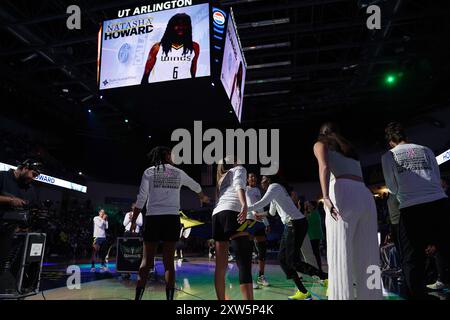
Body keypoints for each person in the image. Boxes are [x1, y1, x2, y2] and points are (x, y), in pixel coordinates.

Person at [313, 122, 382, 300]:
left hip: (343, 193)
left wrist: (325, 197)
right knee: (369, 253)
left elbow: (324, 167)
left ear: (322, 134)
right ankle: (372, 296)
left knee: (340, 253)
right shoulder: (350, 150)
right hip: (365, 194)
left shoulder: (320, 145)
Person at [131, 146, 209, 301]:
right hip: (171, 219)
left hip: (153, 218)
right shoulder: (178, 172)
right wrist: (202, 197)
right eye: (171, 155)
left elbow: (141, 199)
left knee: (146, 261)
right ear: (166, 156)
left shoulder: (149, 172)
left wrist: (134, 220)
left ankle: (137, 298)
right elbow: (196, 186)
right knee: (169, 263)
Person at [381, 122, 450, 299]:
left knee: (412, 260)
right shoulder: (426, 149)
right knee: (445, 251)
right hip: (439, 203)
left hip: (412, 208)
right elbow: (436, 176)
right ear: (405, 136)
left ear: (390, 142)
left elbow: (392, 188)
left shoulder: (389, 155)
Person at [248, 175, 323, 300]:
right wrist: (260, 214)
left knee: (292, 261)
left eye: (263, 179)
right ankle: (303, 291)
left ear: (269, 180)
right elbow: (272, 213)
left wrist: (245, 209)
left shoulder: (274, 187)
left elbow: (262, 203)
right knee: (282, 260)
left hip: (295, 224)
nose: (261, 182)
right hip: (291, 225)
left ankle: (324, 277)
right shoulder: (273, 192)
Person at [212, 157, 253, 300]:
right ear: (234, 161)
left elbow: (221, 198)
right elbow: (239, 185)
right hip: (232, 213)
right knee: (244, 264)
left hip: (217, 215)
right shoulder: (239, 169)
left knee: (220, 266)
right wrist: (244, 204)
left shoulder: (221, 178)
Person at [0, 160, 41, 294]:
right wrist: (10, 200)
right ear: (24, 168)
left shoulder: (30, 190)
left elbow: (31, 210)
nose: (33, 179)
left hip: (9, 232)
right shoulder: (2, 177)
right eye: (33, 174)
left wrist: (27, 224)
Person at [141, 13, 200, 84]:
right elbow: (147, 72)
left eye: (184, 25)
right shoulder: (157, 47)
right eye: (177, 25)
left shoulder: (194, 47)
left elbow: (193, 67)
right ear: (171, 27)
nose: (181, 27)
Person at [245, 173, 270, 288]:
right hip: (250, 220)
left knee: (262, 250)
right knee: (248, 250)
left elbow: (261, 206)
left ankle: (261, 276)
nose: (253, 178)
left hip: (260, 221)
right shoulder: (246, 189)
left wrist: (266, 222)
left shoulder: (258, 191)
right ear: (247, 179)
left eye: (254, 177)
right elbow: (249, 203)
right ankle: (249, 279)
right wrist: (255, 213)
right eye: (251, 177)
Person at [304, 201, 326, 279]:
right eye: (307, 206)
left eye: (309, 205)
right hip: (313, 236)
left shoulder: (315, 213)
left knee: (316, 254)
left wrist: (305, 210)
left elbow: (305, 220)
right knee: (315, 254)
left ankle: (319, 270)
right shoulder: (313, 213)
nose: (308, 207)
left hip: (315, 236)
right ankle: (318, 270)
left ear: (313, 206)